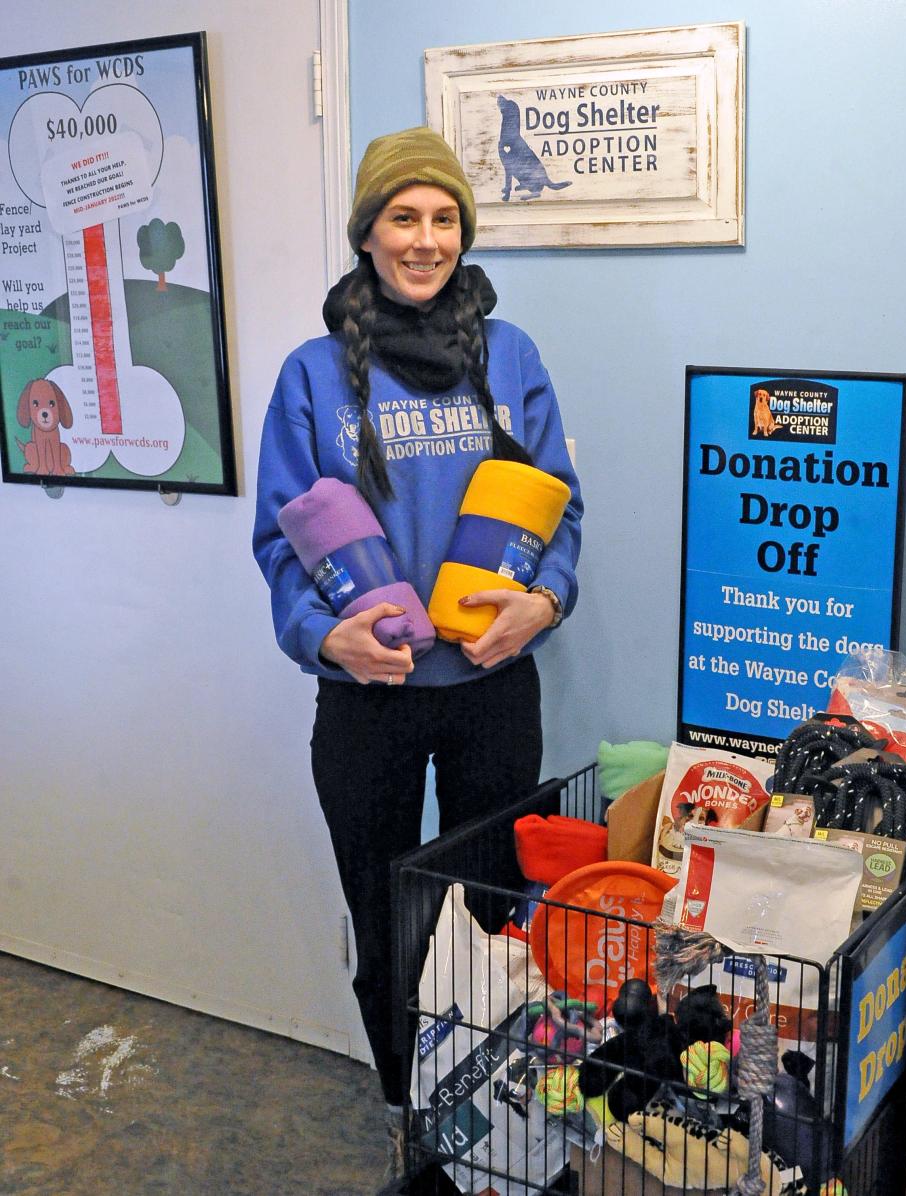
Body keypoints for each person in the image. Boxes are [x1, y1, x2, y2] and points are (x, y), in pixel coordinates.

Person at [252, 126, 582, 1182]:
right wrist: (324, 634)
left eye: (444, 218)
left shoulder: (513, 354)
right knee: (387, 917)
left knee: (494, 917)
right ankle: (416, 1124)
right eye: (404, 216)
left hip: (491, 689)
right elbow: (279, 537)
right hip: (368, 702)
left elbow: (561, 516)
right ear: (368, 230)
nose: (425, 239)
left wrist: (544, 602)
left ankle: (497, 1131)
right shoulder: (311, 376)